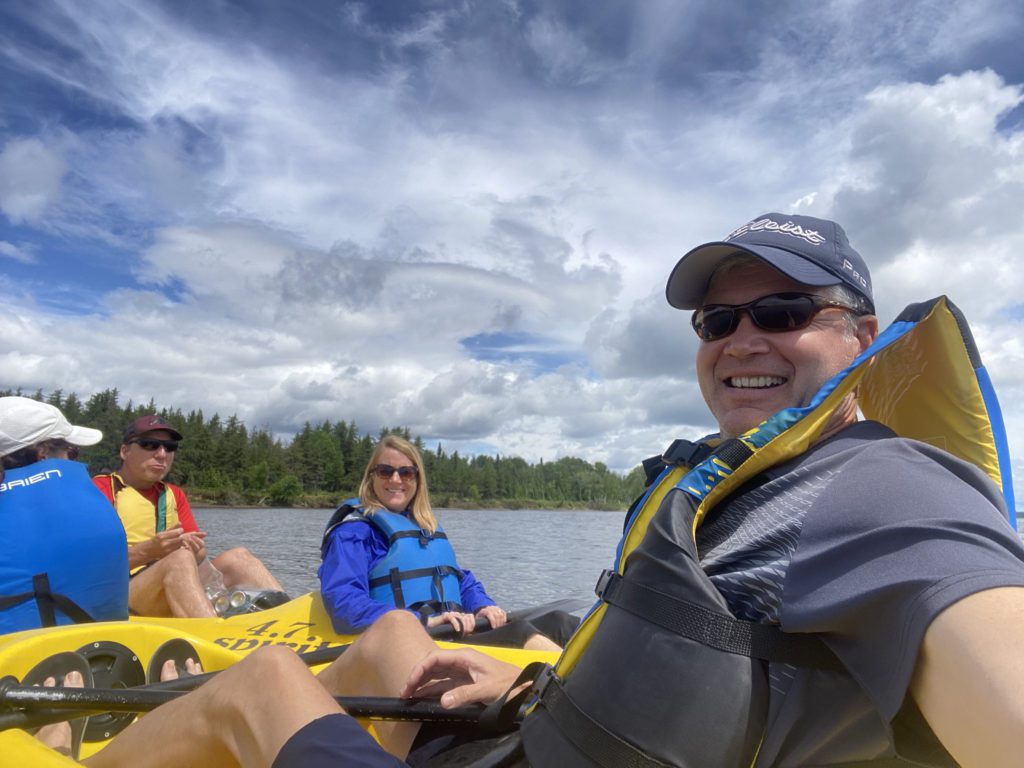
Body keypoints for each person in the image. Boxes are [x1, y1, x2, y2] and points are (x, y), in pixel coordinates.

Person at [33, 212, 1024, 766]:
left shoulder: (888, 493)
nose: (740, 339)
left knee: (264, 682)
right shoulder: (770, 492)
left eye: (782, 310)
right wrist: (536, 679)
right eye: (717, 323)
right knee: (398, 648)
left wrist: (478, 618)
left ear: (862, 337)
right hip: (538, 727)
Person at [320, 434, 572, 650]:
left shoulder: (422, 526)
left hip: (448, 633)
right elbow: (344, 602)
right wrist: (421, 620)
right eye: (386, 471)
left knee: (560, 623)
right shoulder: (353, 532)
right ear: (371, 477)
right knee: (520, 635)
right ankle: (570, 685)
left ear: (417, 480)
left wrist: (483, 606)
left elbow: (458, 579)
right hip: (406, 643)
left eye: (406, 472)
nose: (396, 480)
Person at [93, 414, 284, 618]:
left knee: (239, 558)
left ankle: (290, 625)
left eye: (170, 447)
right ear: (125, 451)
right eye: (149, 445)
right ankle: (212, 632)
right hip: (120, 595)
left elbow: (198, 556)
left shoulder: (175, 495)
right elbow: (89, 567)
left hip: (171, 580)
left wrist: (196, 549)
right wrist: (149, 551)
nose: (162, 454)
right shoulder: (97, 491)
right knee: (179, 559)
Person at [0, 396, 128, 632]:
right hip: (98, 646)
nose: (72, 459)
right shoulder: (89, 504)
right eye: (72, 452)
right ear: (43, 454)